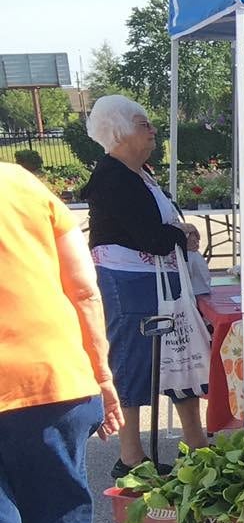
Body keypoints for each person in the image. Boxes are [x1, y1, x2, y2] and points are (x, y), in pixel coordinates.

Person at [0, 162, 119, 523]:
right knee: (59, 511)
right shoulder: (25, 185)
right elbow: (84, 288)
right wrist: (101, 373)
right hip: (53, 375)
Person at [77, 95, 209, 476]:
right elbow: (148, 236)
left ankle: (196, 440)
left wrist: (176, 234)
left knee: (176, 355)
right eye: (143, 124)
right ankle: (131, 456)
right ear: (118, 132)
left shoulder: (140, 172)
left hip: (158, 279)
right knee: (134, 362)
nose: (152, 130)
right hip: (129, 282)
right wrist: (179, 235)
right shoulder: (111, 176)